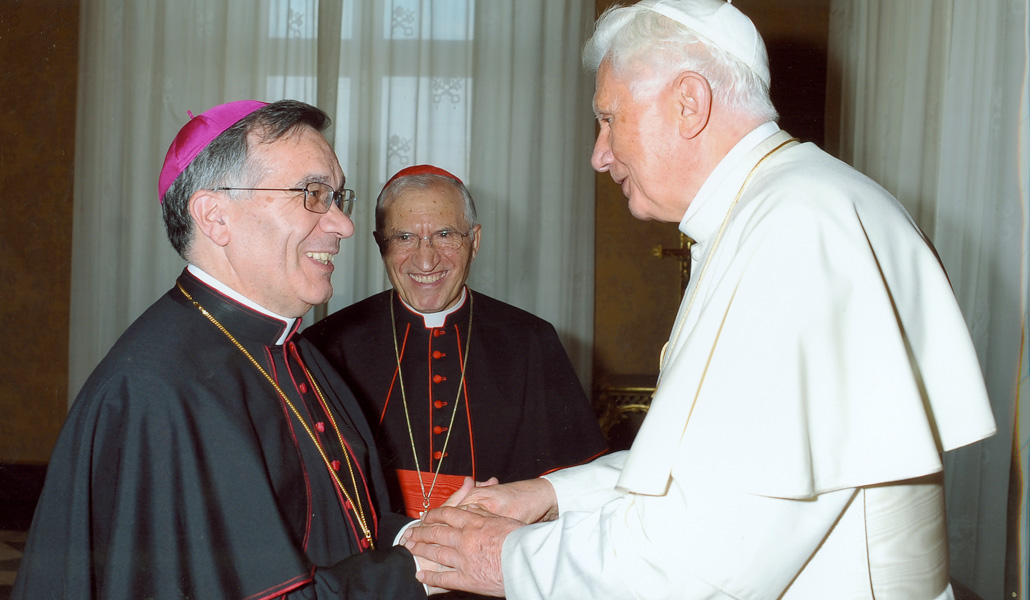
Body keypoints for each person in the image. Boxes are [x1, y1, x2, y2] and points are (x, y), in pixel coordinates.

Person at [402, 1, 998, 599]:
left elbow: (705, 555)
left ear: (689, 103)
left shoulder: (795, 231)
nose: (599, 154)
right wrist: (549, 495)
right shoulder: (791, 204)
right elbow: (712, 469)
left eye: (609, 119)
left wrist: (503, 559)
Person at [13, 100, 429, 599]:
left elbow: (332, 522)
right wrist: (418, 569)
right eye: (313, 194)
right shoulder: (156, 389)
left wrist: (426, 538)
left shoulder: (295, 352)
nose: (343, 225)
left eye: (339, 197)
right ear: (216, 217)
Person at [304, 165, 607, 523]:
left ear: (474, 242)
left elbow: (575, 487)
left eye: (445, 234)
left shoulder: (530, 340)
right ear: (380, 244)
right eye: (404, 238)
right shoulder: (326, 344)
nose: (426, 259)